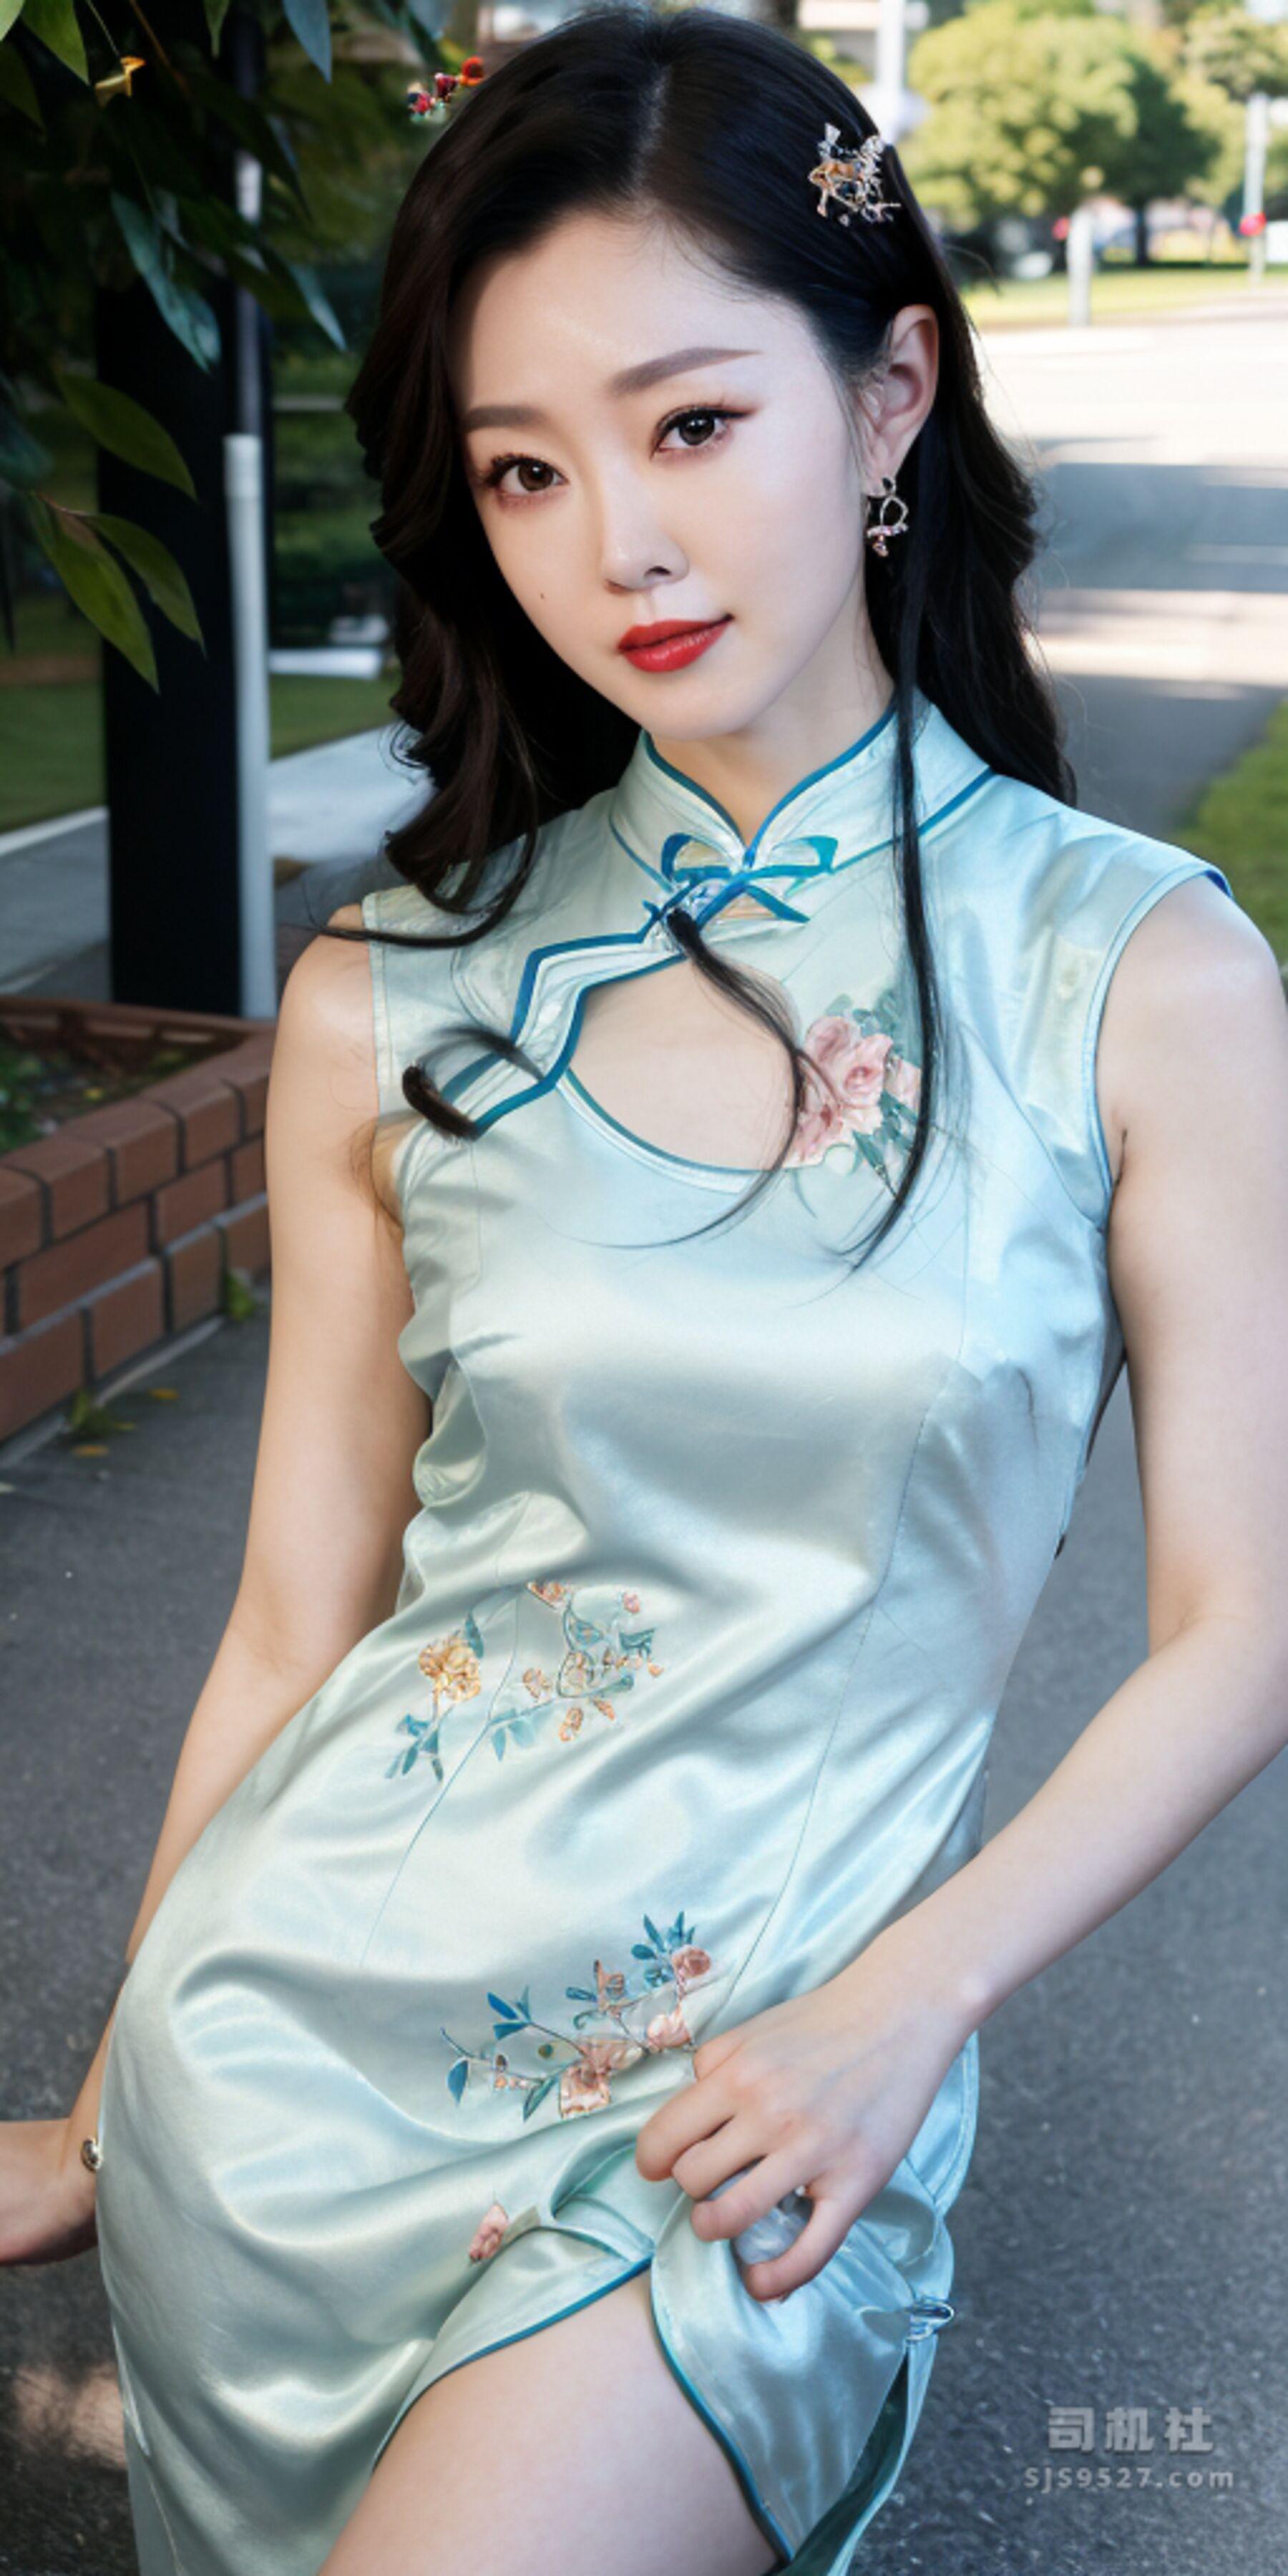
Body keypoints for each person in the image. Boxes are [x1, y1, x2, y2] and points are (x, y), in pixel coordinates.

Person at [4, 8, 1286, 2572]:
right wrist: (121, 2090)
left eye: (692, 423)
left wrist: (903, 2009)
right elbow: (294, 1622)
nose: (619, 544)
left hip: (755, 2110)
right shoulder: (392, 993)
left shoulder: (1136, 972)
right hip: (291, 2063)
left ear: (891, 393)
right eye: (525, 469)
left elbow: (1244, 1625)